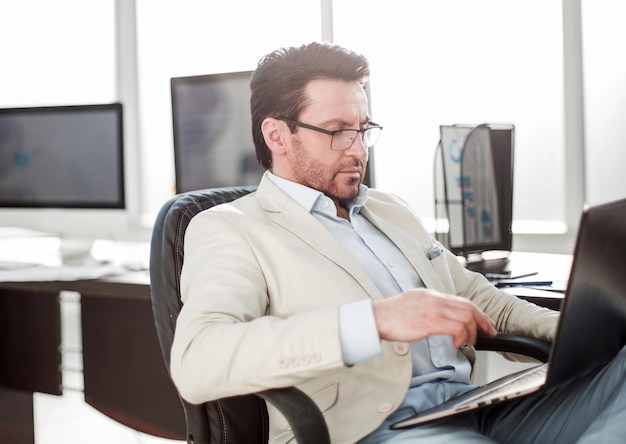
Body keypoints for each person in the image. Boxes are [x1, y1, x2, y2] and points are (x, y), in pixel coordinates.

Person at [170, 42, 626, 443]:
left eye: (363, 129)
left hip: (475, 408)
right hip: (372, 430)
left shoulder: (389, 210)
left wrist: (581, 331)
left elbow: (483, 301)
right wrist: (376, 320)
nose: (358, 149)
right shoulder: (230, 228)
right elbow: (198, 360)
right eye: (337, 131)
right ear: (277, 135)